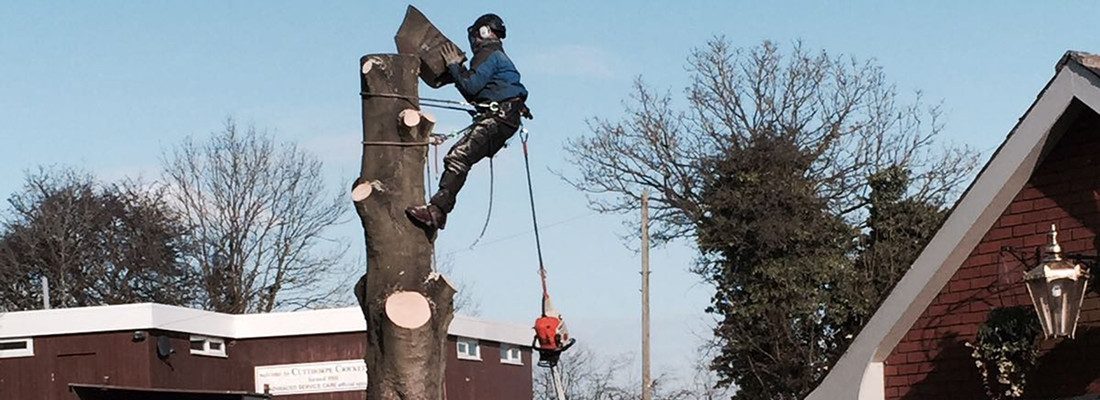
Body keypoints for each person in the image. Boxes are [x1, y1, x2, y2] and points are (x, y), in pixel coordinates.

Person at [406, 13, 529, 230]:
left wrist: (454, 67)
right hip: (506, 117)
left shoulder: (488, 55)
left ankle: (437, 211)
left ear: (483, 33)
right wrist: (459, 73)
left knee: (458, 156)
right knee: (461, 157)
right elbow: (476, 92)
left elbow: (470, 88)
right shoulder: (499, 56)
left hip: (499, 116)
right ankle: (438, 211)